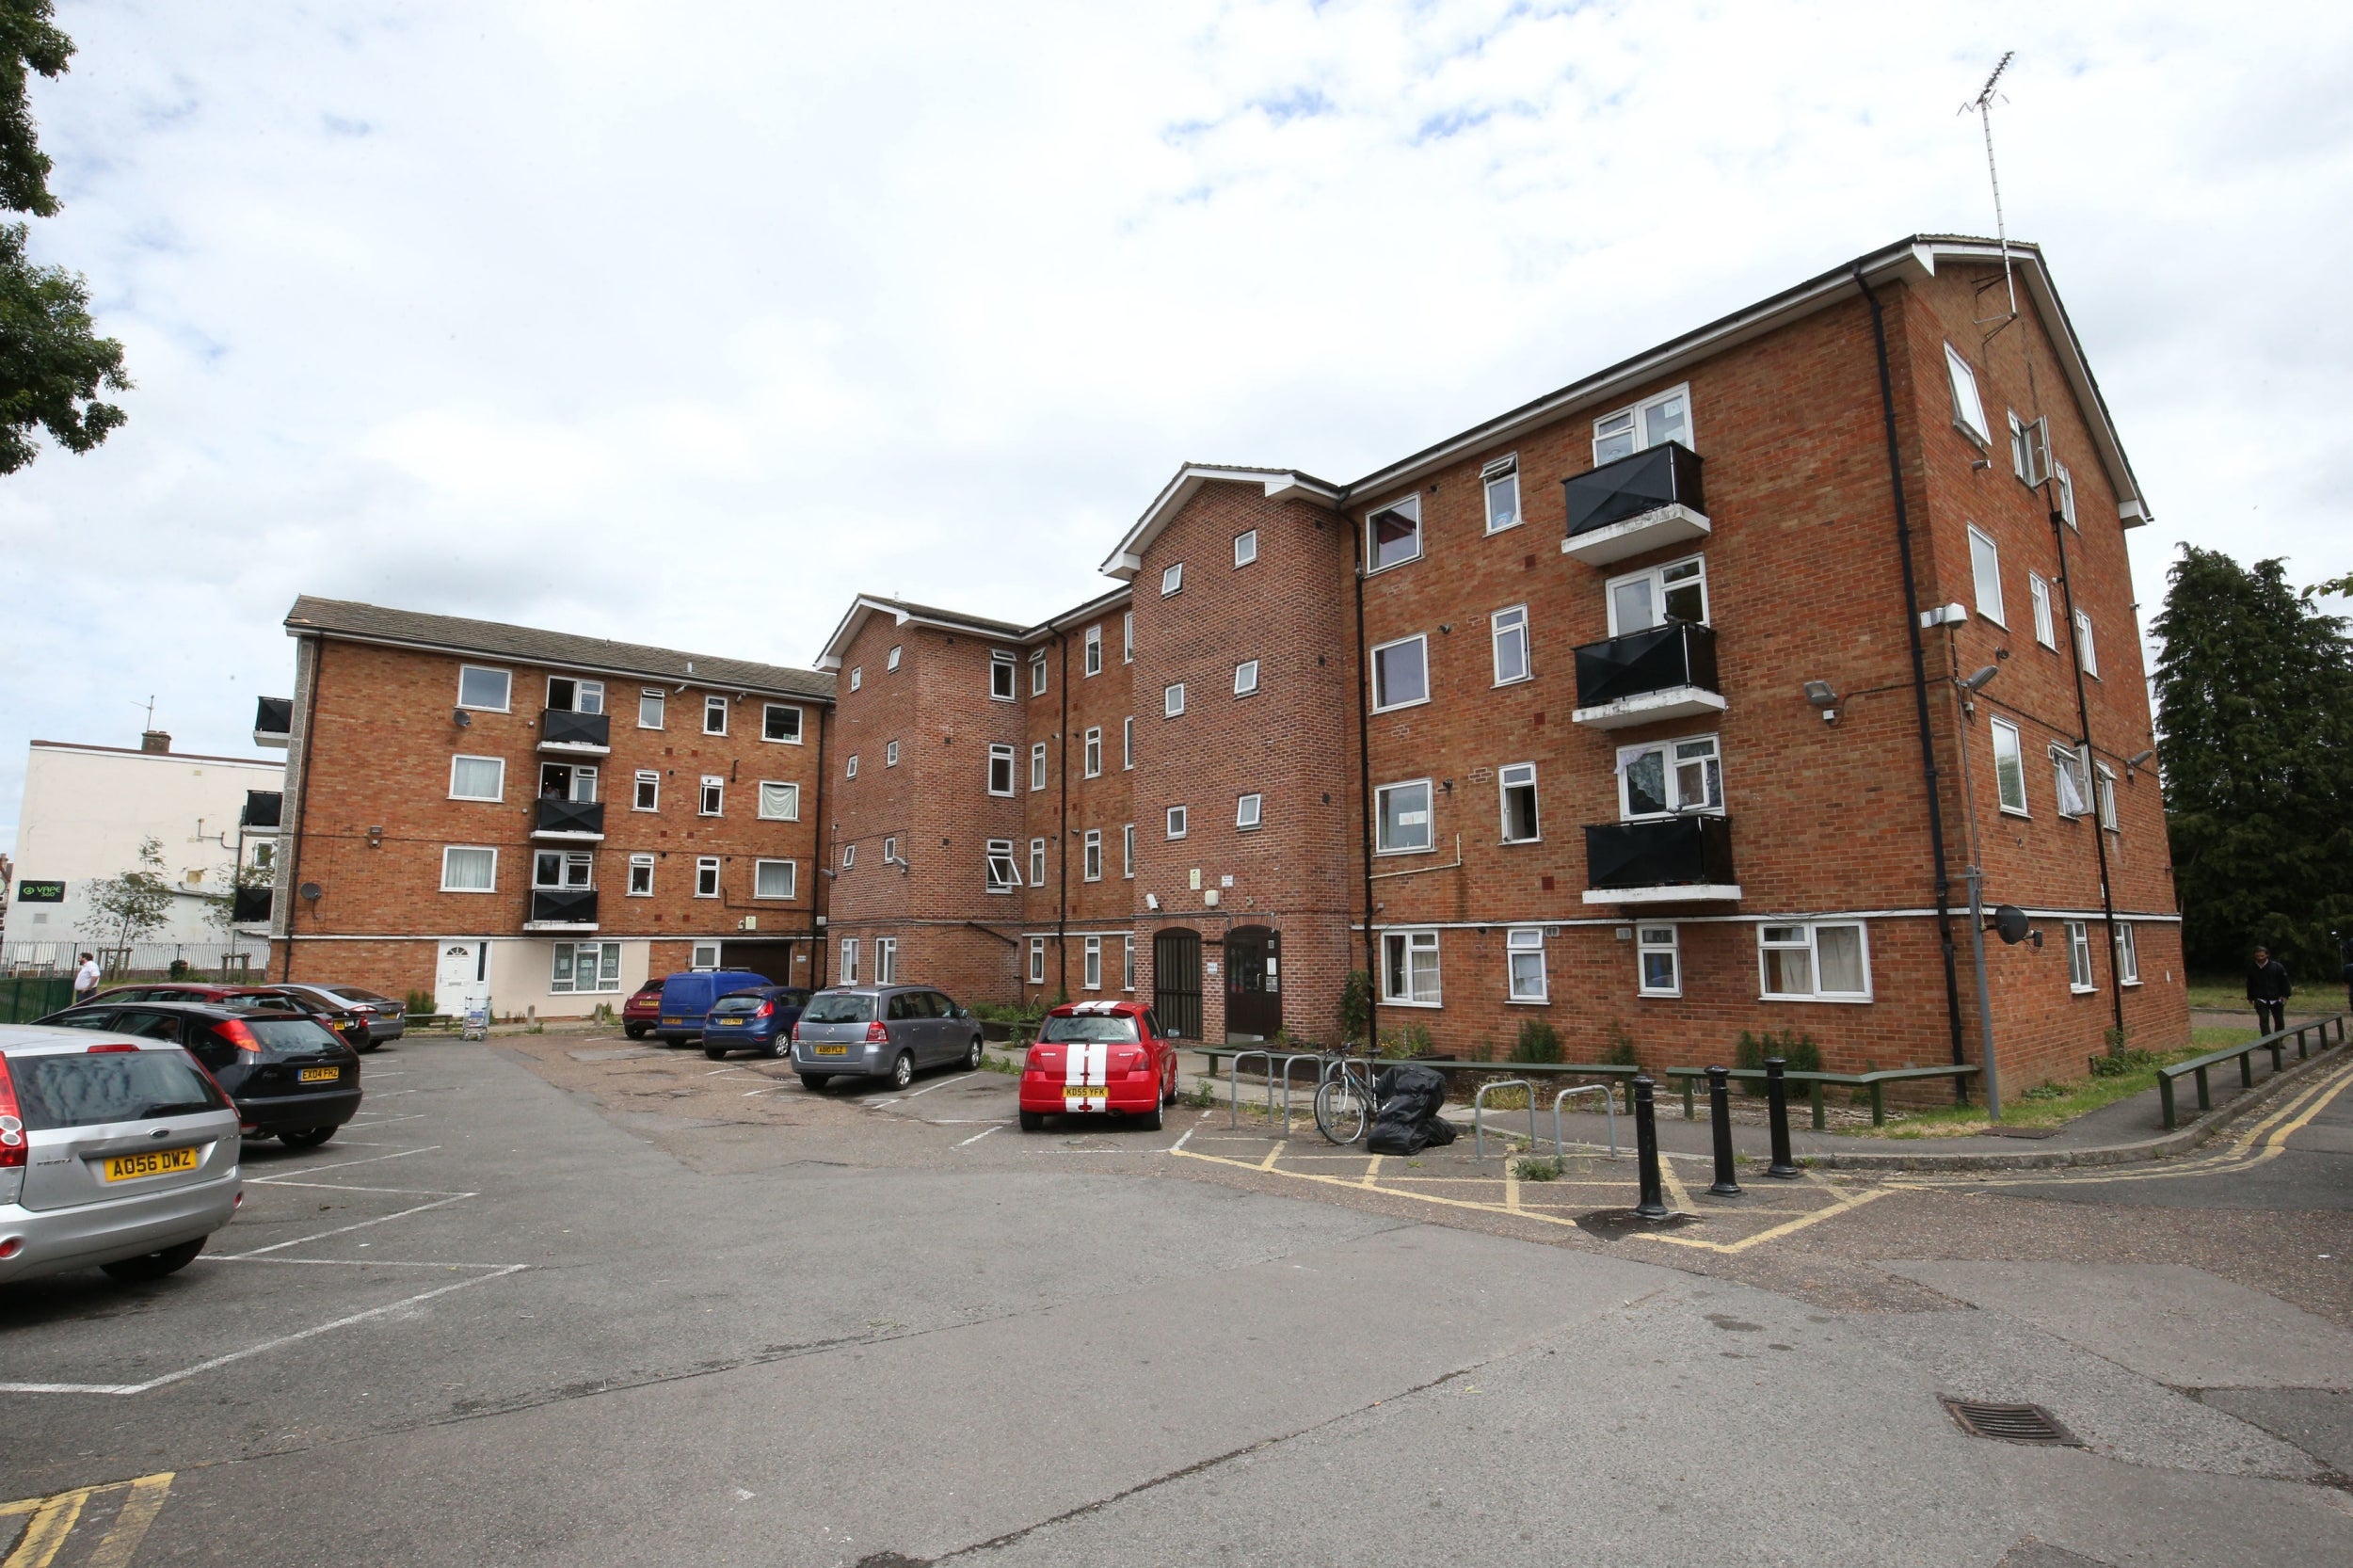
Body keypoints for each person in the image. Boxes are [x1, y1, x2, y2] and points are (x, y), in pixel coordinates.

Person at [2247, 945, 2291, 1036]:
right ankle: (2267, 1042)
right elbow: (2249, 983)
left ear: (2267, 955)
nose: (2260, 958)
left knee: (2279, 1020)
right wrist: (2250, 997)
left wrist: (2285, 995)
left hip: (2276, 998)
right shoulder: (2252, 968)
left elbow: (2285, 982)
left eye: (2262, 956)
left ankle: (2279, 1039)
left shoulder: (2277, 967)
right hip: (2260, 998)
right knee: (2263, 1019)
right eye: (2257, 956)